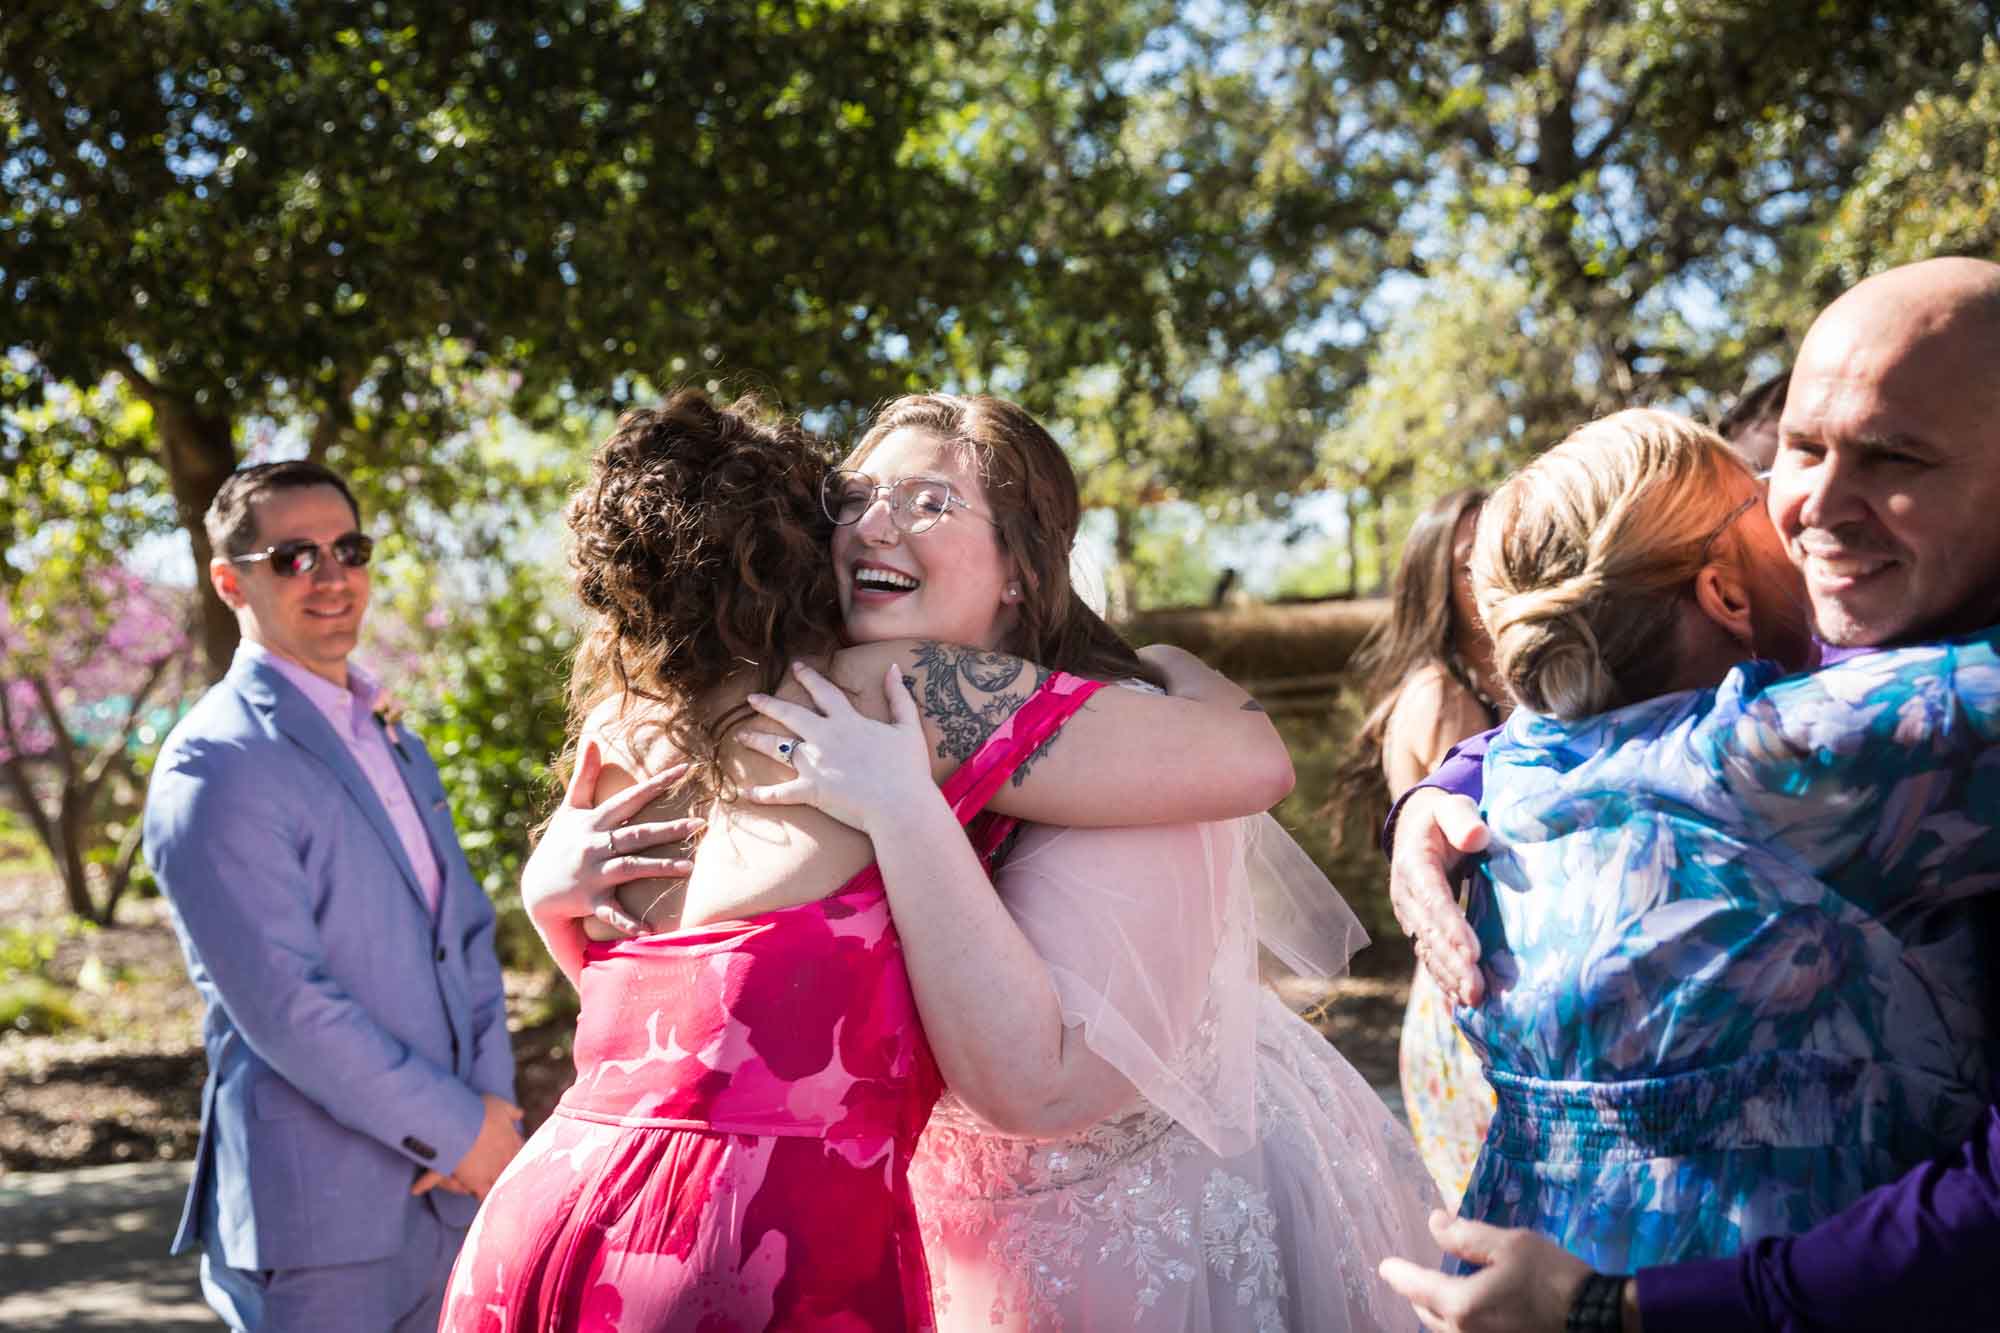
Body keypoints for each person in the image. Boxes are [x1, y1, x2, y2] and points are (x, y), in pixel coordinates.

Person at [533, 391, 1443, 1330]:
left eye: (929, 501)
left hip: (1139, 1255)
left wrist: (1167, 669)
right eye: (853, 495)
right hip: (927, 1248)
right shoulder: (836, 713)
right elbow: (707, 1042)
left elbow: (1043, 1080)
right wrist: (555, 902)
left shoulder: (1111, 733)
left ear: (1020, 566)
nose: (874, 523)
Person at [1378, 256, 2000, 1332]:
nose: (1807, 508)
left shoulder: (1536, 768)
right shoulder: (1803, 737)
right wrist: (1426, 804)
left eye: (1894, 457)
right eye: (1797, 452)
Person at [143, 461, 520, 1333]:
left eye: (347, 548)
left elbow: (462, 933)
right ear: (230, 581)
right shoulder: (214, 761)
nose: (331, 574)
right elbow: (285, 1002)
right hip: (320, 1221)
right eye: (294, 556)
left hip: (457, 1193)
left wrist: (491, 1111)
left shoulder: (398, 739)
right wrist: (460, 1130)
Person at [1326, 488, 1503, 1207]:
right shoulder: (1442, 697)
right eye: (1468, 567)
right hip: (1471, 1000)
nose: (1489, 579)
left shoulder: (1482, 682)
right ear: (1435, 585)